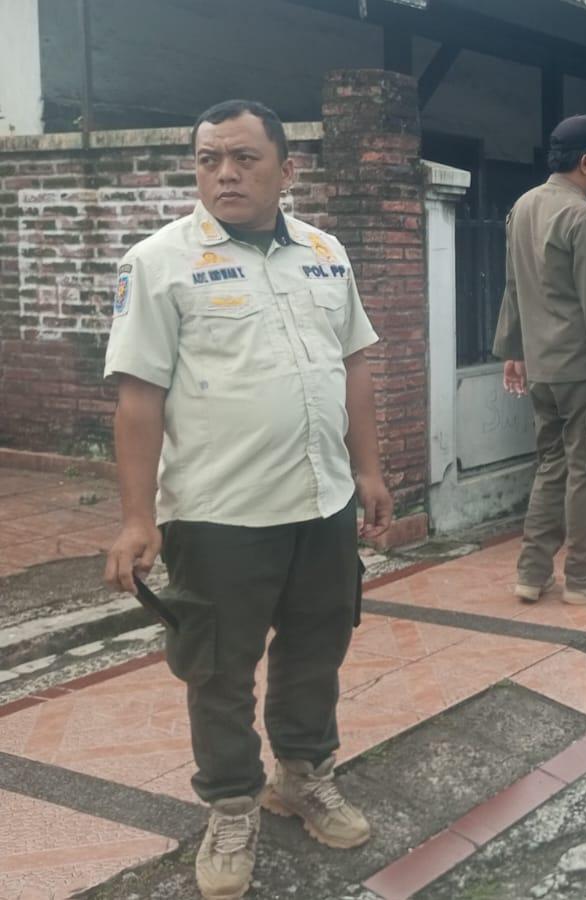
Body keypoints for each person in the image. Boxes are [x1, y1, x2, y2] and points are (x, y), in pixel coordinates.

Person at [101, 99, 391, 900]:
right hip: (218, 513)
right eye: (208, 159)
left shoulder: (328, 255)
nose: (224, 173)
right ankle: (231, 804)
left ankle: (300, 775)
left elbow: (356, 366)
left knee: (316, 649)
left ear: (286, 170)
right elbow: (137, 397)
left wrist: (366, 470)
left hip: (322, 502)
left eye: (243, 158)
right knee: (219, 670)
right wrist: (136, 519)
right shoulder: (158, 262)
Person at [494, 115, 586, 608]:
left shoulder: (524, 206)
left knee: (553, 467)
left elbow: (514, 284)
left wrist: (512, 350)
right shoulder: (584, 217)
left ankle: (532, 573)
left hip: (541, 367)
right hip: (582, 370)